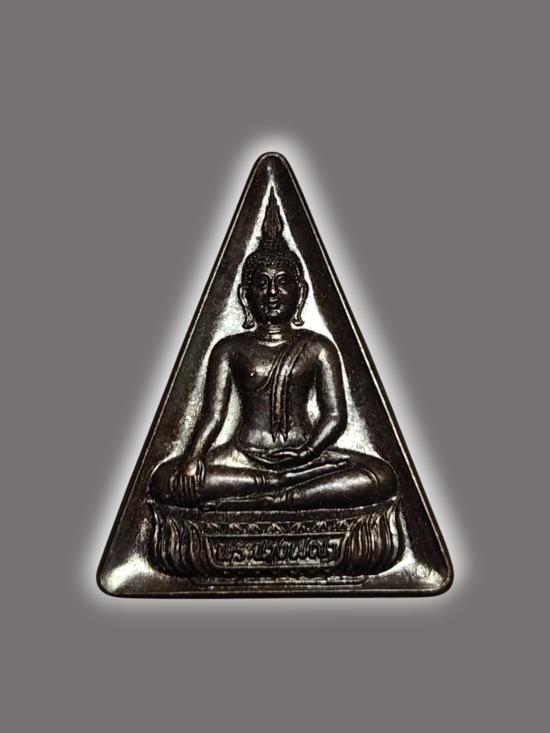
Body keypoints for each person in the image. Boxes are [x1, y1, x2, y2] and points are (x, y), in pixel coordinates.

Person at [149, 190, 396, 510]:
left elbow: (335, 416)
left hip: (306, 456)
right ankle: (276, 486)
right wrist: (193, 458)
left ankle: (280, 494)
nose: (272, 292)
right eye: (262, 283)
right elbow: (212, 415)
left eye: (282, 282)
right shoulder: (230, 349)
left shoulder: (318, 348)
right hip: (244, 458)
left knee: (382, 476)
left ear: (300, 292)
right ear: (244, 295)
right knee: (163, 480)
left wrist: (307, 452)